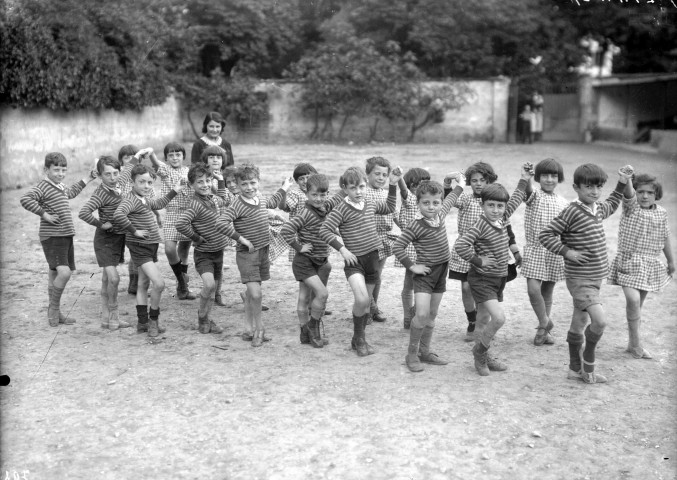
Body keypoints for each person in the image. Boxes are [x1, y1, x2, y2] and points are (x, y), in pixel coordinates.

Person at [539, 163, 631, 384]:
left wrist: (621, 182)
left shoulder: (597, 208)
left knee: (579, 322)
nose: (595, 192)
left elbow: (611, 203)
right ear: (576, 188)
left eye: (598, 187)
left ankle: (574, 368)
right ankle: (588, 367)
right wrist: (567, 251)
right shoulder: (572, 210)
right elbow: (547, 234)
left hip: (595, 277)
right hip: (580, 279)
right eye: (589, 187)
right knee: (599, 321)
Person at [454, 165, 531, 376]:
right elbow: (460, 246)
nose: (496, 210)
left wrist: (524, 179)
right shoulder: (480, 224)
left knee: (483, 320)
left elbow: (515, 197)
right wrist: (477, 260)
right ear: (483, 205)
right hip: (482, 280)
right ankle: (479, 353)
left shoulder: (502, 218)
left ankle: (484, 357)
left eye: (499, 206)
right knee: (499, 319)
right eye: (491, 205)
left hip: (498, 278)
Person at [319, 166, 401, 357]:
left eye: (362, 187)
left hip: (372, 259)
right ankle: (359, 338)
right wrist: (343, 249)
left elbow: (388, 207)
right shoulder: (341, 209)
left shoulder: (370, 202)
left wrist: (393, 185)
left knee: (366, 304)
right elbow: (324, 231)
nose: (359, 192)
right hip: (354, 262)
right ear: (345, 189)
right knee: (362, 299)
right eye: (353, 188)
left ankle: (359, 339)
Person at [394, 175, 464, 372]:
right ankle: (411, 354)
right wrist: (412, 266)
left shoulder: (440, 215)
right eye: (426, 203)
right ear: (418, 203)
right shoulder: (415, 225)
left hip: (442, 271)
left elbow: (452, 198)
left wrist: (460, 184)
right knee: (422, 314)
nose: (431, 207)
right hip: (425, 274)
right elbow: (398, 247)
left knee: (432, 314)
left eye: (435, 203)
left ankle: (425, 352)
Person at [445, 162, 521, 342]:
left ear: (490, 181)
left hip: (488, 252)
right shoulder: (465, 199)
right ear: (469, 182)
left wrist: (516, 252)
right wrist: (448, 182)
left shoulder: (496, 204)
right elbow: (448, 199)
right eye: (474, 180)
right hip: (467, 251)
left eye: (482, 180)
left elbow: (508, 232)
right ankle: (472, 321)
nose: (478, 183)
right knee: (466, 288)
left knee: (482, 292)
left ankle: (482, 322)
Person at [20, 152, 96, 326]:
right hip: (53, 236)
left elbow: (71, 192)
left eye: (64, 170)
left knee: (54, 273)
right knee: (64, 272)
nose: (61, 173)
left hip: (65, 235)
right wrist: (44, 214)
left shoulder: (60, 186)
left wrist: (88, 178)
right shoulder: (43, 186)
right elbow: (25, 199)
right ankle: (53, 309)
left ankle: (56, 311)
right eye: (56, 170)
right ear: (46, 169)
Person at [221, 163, 293, 347]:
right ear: (237, 185)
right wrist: (241, 239)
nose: (249, 188)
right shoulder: (237, 203)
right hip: (247, 255)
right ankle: (259, 329)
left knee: (252, 293)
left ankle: (247, 329)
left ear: (258, 182)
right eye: (243, 184)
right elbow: (220, 222)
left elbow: (272, 202)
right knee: (256, 294)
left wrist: (285, 187)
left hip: (262, 251)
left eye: (252, 183)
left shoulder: (259, 199)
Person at [608, 172, 674, 359]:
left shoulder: (661, 213)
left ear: (656, 194)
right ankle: (637, 345)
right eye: (640, 192)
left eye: (649, 193)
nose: (644, 196)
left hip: (649, 263)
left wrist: (670, 260)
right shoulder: (631, 208)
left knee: (638, 305)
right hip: (629, 262)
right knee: (634, 300)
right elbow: (628, 194)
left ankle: (631, 343)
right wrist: (628, 179)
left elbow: (665, 236)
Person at [113, 164, 185, 337]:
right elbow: (118, 215)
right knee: (159, 284)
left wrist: (175, 189)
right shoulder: (130, 199)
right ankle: (153, 320)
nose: (146, 186)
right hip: (140, 248)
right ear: (132, 182)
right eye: (142, 182)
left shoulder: (144, 199)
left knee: (143, 284)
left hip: (150, 246)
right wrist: (134, 231)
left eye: (149, 183)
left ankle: (142, 323)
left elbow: (159, 203)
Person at [280, 174, 346, 347]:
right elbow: (286, 230)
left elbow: (340, 195)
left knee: (306, 297)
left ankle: (305, 334)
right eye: (314, 195)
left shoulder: (326, 206)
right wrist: (298, 247)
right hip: (304, 261)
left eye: (322, 195)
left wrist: (348, 180)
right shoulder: (306, 213)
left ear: (327, 194)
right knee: (321, 294)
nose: (318, 199)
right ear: (306, 193)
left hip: (320, 260)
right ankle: (312, 330)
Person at [78, 155, 136, 330]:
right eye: (107, 174)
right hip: (105, 240)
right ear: (100, 175)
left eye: (115, 173)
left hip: (119, 238)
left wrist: (139, 155)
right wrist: (101, 224)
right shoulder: (100, 193)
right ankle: (114, 315)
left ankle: (108, 318)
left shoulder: (120, 183)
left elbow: (127, 170)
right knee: (114, 278)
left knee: (106, 280)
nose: (112, 177)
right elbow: (84, 212)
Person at [176, 163, 235, 334]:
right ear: (191, 185)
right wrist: (196, 237)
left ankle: (207, 319)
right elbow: (181, 223)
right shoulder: (194, 203)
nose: (205, 185)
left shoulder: (213, 198)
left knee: (213, 288)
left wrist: (221, 181)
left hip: (218, 253)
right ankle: (202, 318)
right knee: (208, 285)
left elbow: (225, 200)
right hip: (204, 254)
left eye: (208, 180)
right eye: (200, 182)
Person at [521, 158, 569, 346]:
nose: (549, 180)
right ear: (538, 178)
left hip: (554, 251)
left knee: (547, 290)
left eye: (554, 176)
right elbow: (527, 190)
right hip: (535, 248)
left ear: (559, 178)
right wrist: (527, 177)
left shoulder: (564, 202)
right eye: (545, 176)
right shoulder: (535, 196)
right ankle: (545, 322)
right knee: (533, 289)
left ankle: (542, 332)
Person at [149, 143, 196, 300]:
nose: (175, 158)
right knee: (170, 249)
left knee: (184, 252)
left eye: (178, 154)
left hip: (189, 214)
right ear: (166, 158)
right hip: (172, 214)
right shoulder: (166, 170)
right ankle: (182, 280)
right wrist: (150, 154)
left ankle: (182, 289)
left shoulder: (190, 172)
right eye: (171, 155)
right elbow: (156, 164)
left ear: (183, 156)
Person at [117, 145, 162, 295]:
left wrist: (157, 215)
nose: (131, 161)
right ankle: (133, 284)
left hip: (138, 222)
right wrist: (136, 157)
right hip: (126, 222)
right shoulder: (123, 180)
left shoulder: (143, 180)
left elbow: (151, 202)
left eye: (133, 158)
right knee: (133, 255)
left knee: (136, 257)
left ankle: (136, 285)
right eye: (127, 158)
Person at [364, 156, 398, 323]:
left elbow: (395, 214)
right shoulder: (362, 192)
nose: (380, 178)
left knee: (377, 275)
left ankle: (373, 308)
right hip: (366, 238)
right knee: (367, 275)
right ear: (367, 174)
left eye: (384, 175)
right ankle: (367, 309)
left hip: (384, 238)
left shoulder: (387, 194)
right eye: (377, 174)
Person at [396, 167, 431, 329]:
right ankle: (407, 315)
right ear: (410, 187)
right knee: (409, 284)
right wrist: (400, 178)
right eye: (415, 185)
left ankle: (415, 312)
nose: (419, 188)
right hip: (410, 250)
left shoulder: (428, 203)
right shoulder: (410, 199)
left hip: (425, 250)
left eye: (423, 184)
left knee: (422, 286)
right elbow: (403, 190)